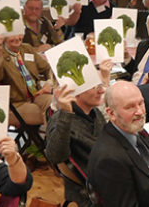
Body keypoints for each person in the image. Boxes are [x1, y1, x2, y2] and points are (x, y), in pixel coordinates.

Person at [45, 61, 112, 206]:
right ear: (75, 93)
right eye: (95, 87)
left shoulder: (93, 112)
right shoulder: (62, 119)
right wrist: (66, 113)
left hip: (109, 176)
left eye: (101, 86)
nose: (102, 91)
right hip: (92, 193)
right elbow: (55, 156)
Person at [0, 33, 52, 126]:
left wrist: (49, 83)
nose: (17, 38)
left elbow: (47, 68)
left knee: (57, 104)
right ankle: (49, 139)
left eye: (19, 34)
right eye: (12, 35)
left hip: (36, 94)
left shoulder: (26, 48)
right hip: (16, 104)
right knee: (50, 113)